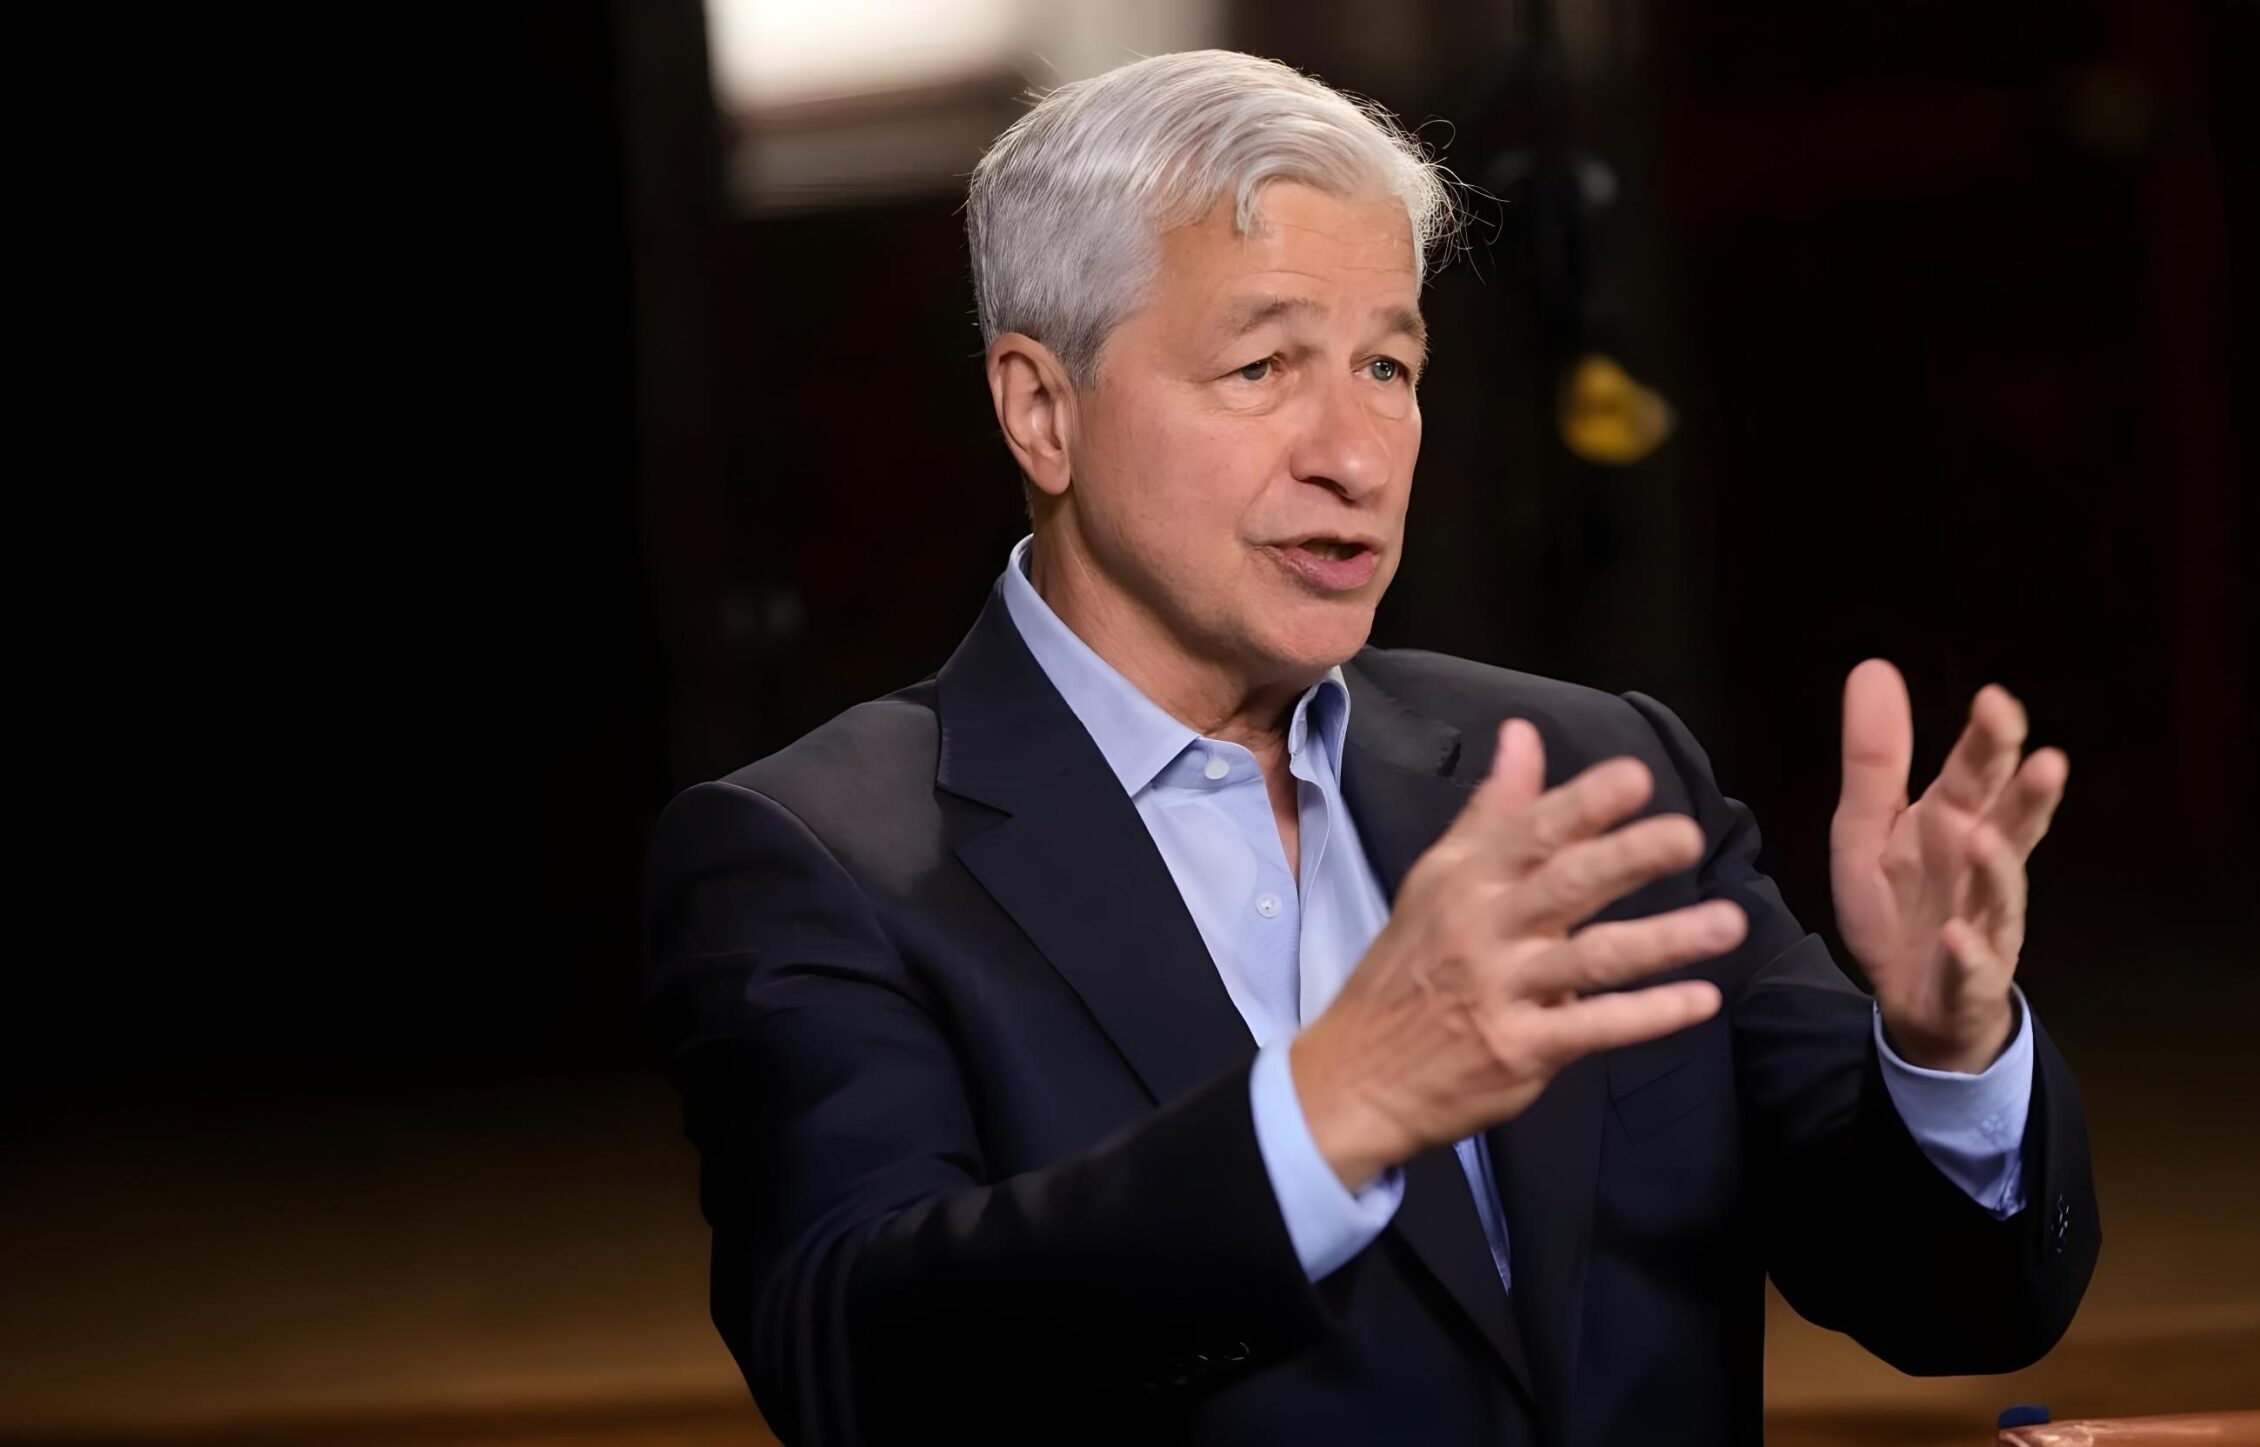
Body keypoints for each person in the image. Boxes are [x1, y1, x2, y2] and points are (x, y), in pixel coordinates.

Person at [645, 49, 2097, 1446]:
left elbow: (1956, 1299)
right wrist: (1319, 1120)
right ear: (1042, 409)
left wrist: (1945, 1057)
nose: (1354, 454)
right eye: (1264, 365)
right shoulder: (825, 857)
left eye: (1388, 366)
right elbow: (857, 1362)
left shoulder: (1592, 774)